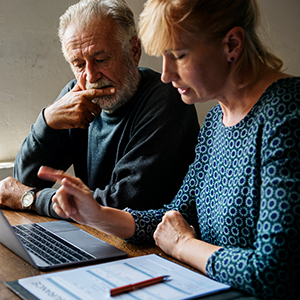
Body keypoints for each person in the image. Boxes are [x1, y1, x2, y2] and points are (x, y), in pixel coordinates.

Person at [35, 0, 300, 299]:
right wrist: (95, 214)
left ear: (232, 45)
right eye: (163, 56)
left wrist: (184, 246)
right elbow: (173, 217)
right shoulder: (217, 119)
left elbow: (276, 271)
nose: (165, 74)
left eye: (179, 55)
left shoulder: (288, 116)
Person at [0, 0, 200, 217]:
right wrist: (46, 121)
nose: (91, 76)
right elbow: (24, 181)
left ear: (134, 51)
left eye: (101, 59)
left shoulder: (167, 101)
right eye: (78, 64)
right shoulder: (77, 97)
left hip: (149, 245)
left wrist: (32, 199)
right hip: (94, 235)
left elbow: (124, 204)